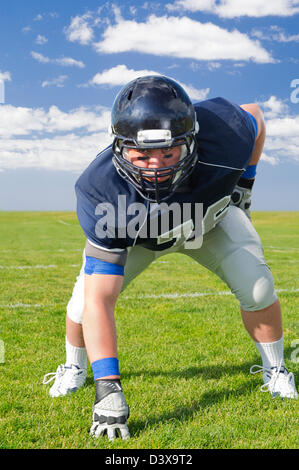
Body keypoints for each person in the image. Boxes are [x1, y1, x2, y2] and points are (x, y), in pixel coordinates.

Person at [43, 75, 298, 441]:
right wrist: (109, 387)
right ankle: (75, 367)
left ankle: (276, 370)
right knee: (85, 304)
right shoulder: (100, 189)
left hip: (207, 223)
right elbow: (102, 299)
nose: (156, 166)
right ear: (119, 146)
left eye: (168, 153)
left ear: (191, 139)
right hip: (140, 240)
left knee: (258, 288)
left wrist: (245, 184)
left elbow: (255, 116)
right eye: (142, 155)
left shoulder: (224, 134)